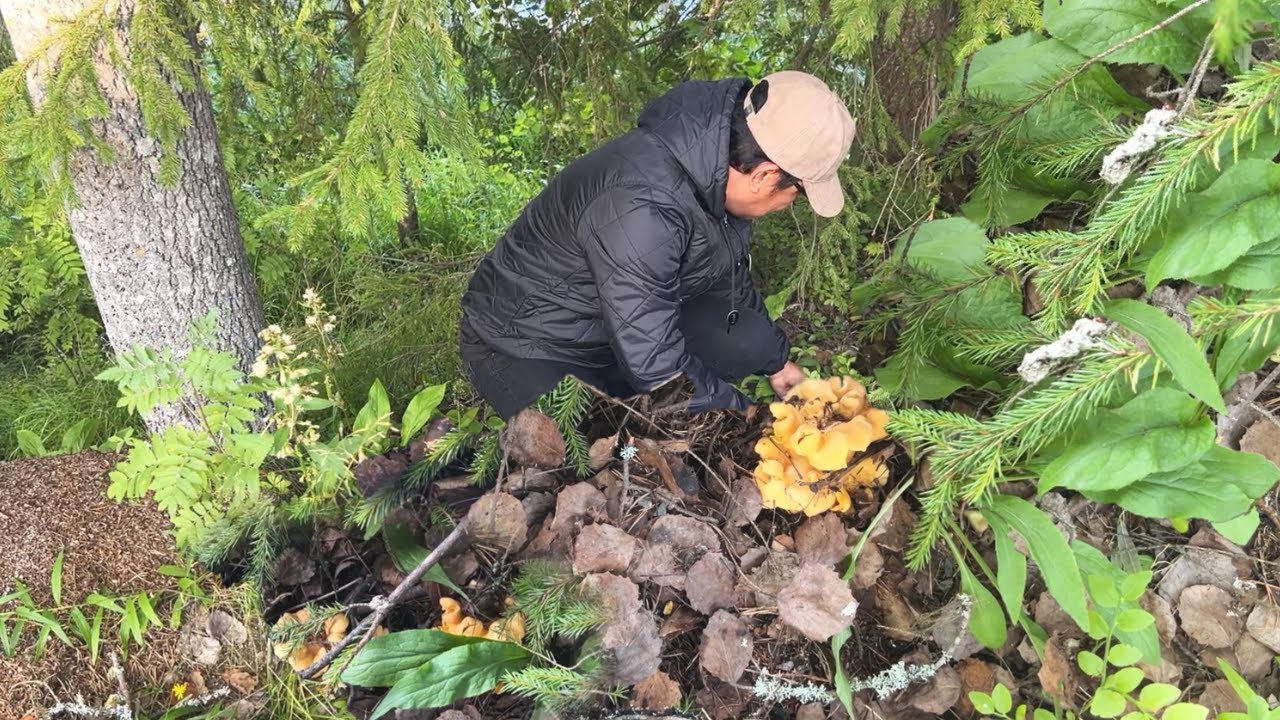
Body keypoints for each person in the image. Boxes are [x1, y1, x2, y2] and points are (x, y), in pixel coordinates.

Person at [459, 70, 856, 419]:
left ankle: (640, 401)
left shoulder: (714, 173)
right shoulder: (641, 204)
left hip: (617, 327)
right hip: (529, 343)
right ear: (765, 175)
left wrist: (778, 364)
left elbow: (725, 278)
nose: (789, 206)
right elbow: (656, 364)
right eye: (798, 194)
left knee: (746, 339)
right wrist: (746, 416)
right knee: (598, 456)